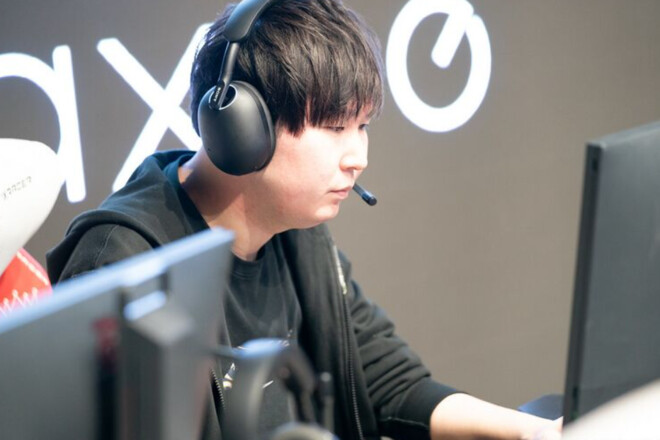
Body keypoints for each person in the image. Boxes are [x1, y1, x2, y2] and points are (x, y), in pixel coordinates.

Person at [47, 0, 561, 439]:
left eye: (362, 126)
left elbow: (388, 381)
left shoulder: (298, 233)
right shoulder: (122, 264)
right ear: (242, 127)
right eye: (335, 127)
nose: (358, 157)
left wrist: (535, 431)